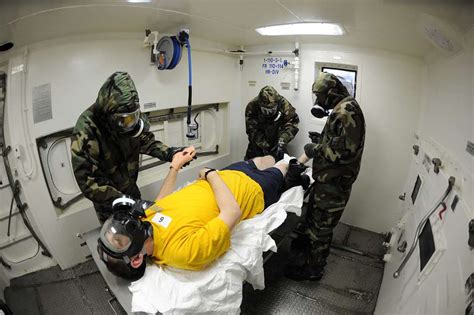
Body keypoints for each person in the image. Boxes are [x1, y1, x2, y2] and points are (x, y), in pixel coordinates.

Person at [97, 147, 308, 280]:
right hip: (253, 189)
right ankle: (296, 165)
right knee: (283, 165)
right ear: (136, 260)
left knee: (267, 157)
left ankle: (279, 155)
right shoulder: (183, 251)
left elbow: (161, 202)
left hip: (228, 173)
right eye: (118, 239)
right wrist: (210, 174)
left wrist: (175, 167)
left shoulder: (145, 223)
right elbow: (232, 212)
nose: (122, 226)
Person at [71, 71, 192, 224]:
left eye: (133, 118)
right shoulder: (86, 130)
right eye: (124, 120)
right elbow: (88, 182)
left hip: (131, 190)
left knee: (141, 226)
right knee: (120, 240)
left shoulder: (129, 115)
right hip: (109, 202)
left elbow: (144, 139)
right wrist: (125, 202)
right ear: (110, 114)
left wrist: (170, 153)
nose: (129, 124)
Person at [284, 72, 366, 281]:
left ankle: (313, 270)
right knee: (312, 222)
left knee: (321, 229)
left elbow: (345, 152)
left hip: (334, 184)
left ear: (331, 93)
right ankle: (303, 258)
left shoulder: (347, 111)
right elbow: (339, 142)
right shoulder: (341, 108)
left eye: (320, 97)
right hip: (327, 182)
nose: (318, 102)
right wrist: (321, 139)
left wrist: (316, 149)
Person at [245, 86, 299, 161]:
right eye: (265, 110)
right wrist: (266, 146)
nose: (269, 113)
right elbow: (252, 130)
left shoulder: (283, 104)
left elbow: (292, 124)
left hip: (278, 144)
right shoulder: (252, 106)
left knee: (280, 168)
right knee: (250, 169)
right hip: (257, 146)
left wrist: (283, 140)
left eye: (272, 110)